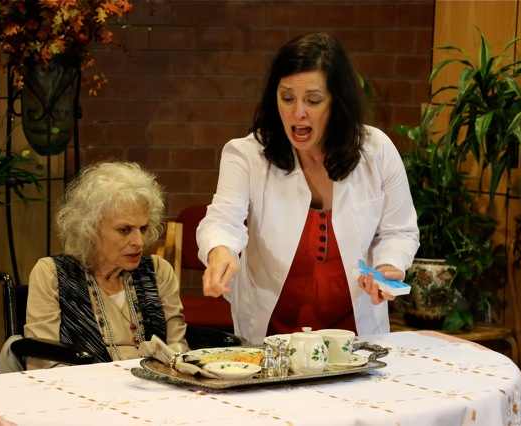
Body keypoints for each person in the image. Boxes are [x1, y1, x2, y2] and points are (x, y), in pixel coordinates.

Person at [196, 33, 419, 345]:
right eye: (287, 98)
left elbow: (400, 230)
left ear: (337, 103)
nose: (297, 112)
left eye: (313, 100)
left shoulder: (376, 150)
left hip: (354, 331)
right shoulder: (246, 154)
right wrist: (220, 251)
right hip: (271, 332)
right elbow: (222, 221)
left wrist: (388, 266)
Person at [24, 162, 188, 368]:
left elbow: (178, 349)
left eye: (143, 228)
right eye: (125, 230)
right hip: (79, 392)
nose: (139, 242)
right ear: (90, 229)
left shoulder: (158, 271)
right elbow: (44, 360)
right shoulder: (51, 273)